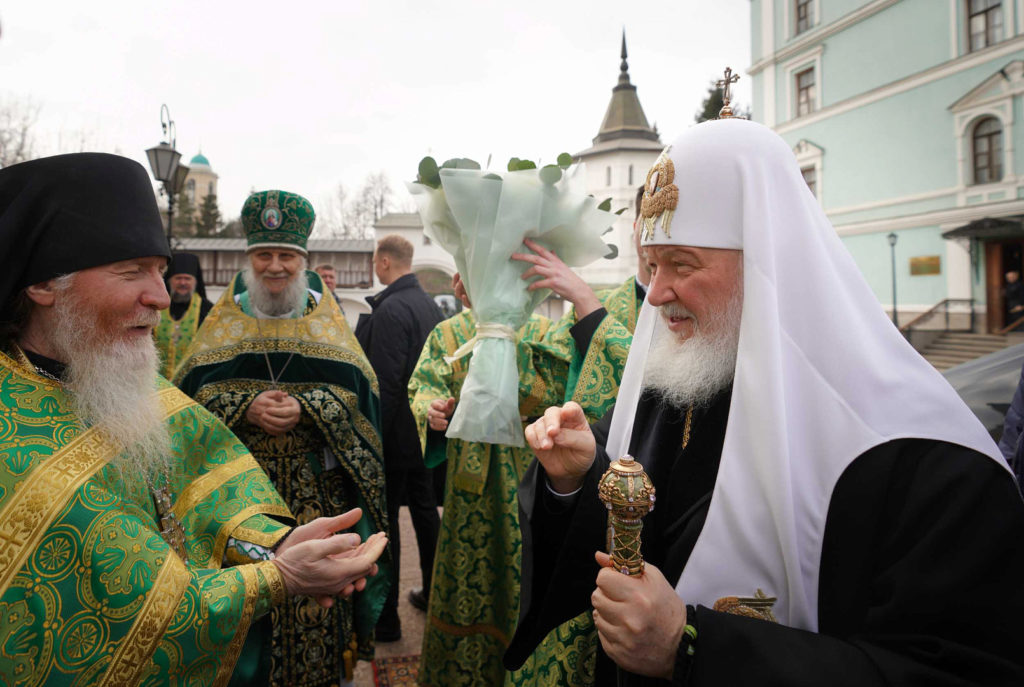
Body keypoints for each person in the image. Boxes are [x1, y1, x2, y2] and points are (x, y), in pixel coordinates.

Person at [506, 118, 1024, 685]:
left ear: (766, 261)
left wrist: (694, 648)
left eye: (681, 263)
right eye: (651, 265)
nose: (654, 294)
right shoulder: (680, 376)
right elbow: (638, 528)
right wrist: (577, 478)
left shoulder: (924, 457)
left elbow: (956, 672)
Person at [0, 153, 387, 686]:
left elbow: (202, 491)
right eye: (132, 271)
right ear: (44, 284)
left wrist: (274, 544)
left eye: (160, 271)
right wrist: (278, 577)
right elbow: (134, 611)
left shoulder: (123, 384)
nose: (162, 297)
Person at [174, 189, 390, 686]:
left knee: (318, 614)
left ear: (303, 260)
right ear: (248, 260)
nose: (275, 266)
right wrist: (243, 405)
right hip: (237, 505)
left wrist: (309, 406)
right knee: (249, 619)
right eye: (264, 255)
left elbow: (363, 401)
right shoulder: (223, 323)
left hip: (316, 499)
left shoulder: (326, 322)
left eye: (286, 256)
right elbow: (185, 406)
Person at [354, 234, 442, 639]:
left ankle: (387, 619)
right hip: (424, 432)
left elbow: (385, 384)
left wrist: (370, 438)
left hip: (393, 436)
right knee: (425, 513)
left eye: (375, 261)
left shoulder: (391, 308)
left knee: (386, 522)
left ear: (385, 261)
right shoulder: (430, 305)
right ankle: (434, 596)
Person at [154, 252, 214, 380]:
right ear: (169, 280)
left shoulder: (208, 310)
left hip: (191, 382)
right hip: (157, 382)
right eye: (178, 278)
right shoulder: (156, 305)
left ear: (195, 281)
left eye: (187, 278)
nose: (182, 283)